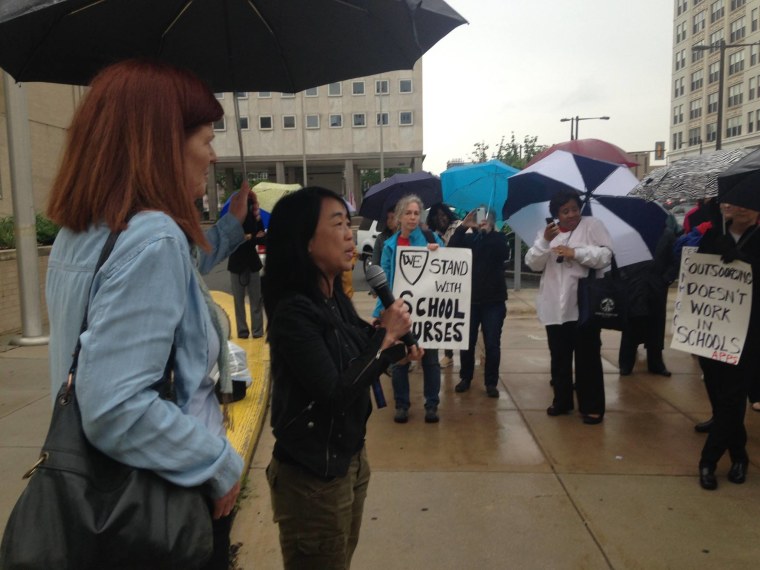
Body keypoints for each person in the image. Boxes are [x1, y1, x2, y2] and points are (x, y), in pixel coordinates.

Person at [44, 59, 246, 569]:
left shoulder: (81, 234)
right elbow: (115, 407)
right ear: (161, 143)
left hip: (97, 501)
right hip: (158, 507)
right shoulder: (152, 237)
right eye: (204, 139)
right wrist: (217, 462)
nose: (212, 155)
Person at [262, 187, 418, 569]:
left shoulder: (333, 298)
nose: (350, 234)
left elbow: (362, 349)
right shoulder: (293, 312)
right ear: (305, 240)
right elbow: (335, 390)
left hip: (348, 459)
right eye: (338, 224)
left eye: (349, 224)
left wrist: (399, 347)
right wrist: (385, 340)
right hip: (313, 477)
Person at [525, 189, 613, 425]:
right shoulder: (547, 233)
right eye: (565, 211)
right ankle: (562, 401)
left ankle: (592, 407)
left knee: (588, 358)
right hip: (554, 306)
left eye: (575, 208)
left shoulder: (591, 225)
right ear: (556, 214)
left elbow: (605, 255)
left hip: (583, 305)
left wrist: (576, 253)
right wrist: (545, 240)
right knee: (559, 357)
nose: (572, 214)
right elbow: (533, 263)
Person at [694, 200, 760, 490]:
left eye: (750, 204)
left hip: (747, 332)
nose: (742, 208)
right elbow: (696, 276)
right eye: (737, 203)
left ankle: (708, 460)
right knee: (720, 398)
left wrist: (745, 262)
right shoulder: (713, 236)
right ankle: (739, 455)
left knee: (733, 398)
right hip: (711, 330)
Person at [374, 194, 444, 424]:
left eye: (416, 213)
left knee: (430, 360)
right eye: (408, 213)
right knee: (399, 361)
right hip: (400, 313)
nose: (413, 217)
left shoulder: (429, 237)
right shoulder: (389, 246)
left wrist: (438, 251)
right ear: (399, 216)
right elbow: (383, 282)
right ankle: (402, 405)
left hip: (427, 312)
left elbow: (448, 264)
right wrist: (379, 314)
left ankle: (431, 404)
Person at [448, 208, 508, 398]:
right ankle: (465, 377)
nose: (481, 222)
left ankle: (491, 382)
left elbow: (503, 253)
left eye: (486, 219)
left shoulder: (499, 239)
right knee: (467, 342)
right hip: (470, 300)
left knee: (492, 343)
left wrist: (489, 232)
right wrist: (463, 227)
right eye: (479, 219)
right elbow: (451, 251)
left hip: (494, 301)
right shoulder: (467, 240)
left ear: (492, 221)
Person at [618, 214, 680, 377]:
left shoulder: (667, 234)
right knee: (631, 325)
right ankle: (626, 363)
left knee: (656, 326)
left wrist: (666, 279)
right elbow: (617, 257)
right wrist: (624, 277)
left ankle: (656, 363)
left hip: (656, 286)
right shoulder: (629, 234)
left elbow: (675, 260)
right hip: (634, 285)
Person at [426, 202, 462, 368]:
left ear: (448, 214)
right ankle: (448, 355)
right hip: (440, 284)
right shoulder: (431, 234)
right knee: (446, 320)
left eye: (443, 215)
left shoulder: (459, 227)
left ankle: (476, 354)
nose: (441, 219)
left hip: (460, 283)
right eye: (436, 216)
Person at [228, 193, 266, 339]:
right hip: (236, 265)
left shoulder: (256, 217)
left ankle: (257, 331)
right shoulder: (232, 220)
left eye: (251, 203)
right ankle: (242, 331)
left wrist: (250, 238)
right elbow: (233, 241)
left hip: (252, 263)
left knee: (256, 300)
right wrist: (252, 238)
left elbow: (263, 239)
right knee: (239, 301)